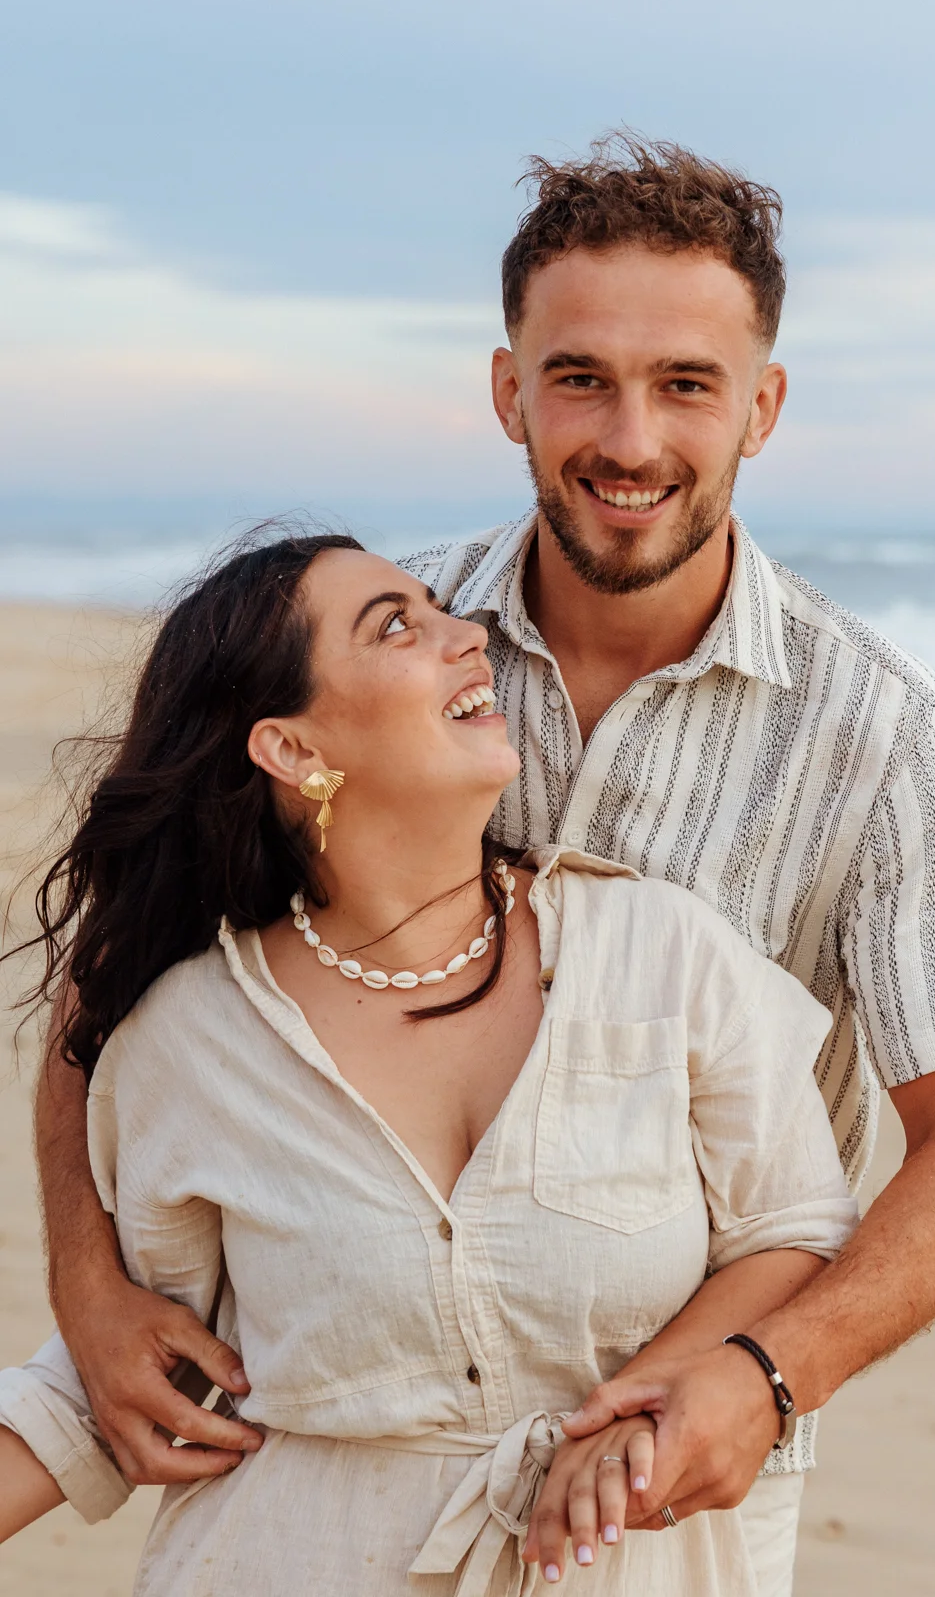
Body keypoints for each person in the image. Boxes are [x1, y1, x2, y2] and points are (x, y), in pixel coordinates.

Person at [28, 135, 935, 1592]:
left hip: (670, 1482)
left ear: (758, 407)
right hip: (338, 1443)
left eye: (684, 384)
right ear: (509, 389)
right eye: (579, 378)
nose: (627, 438)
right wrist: (88, 1277)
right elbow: (117, 955)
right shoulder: (382, 643)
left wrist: (763, 1374)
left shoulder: (874, 734)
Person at [0, 532, 857, 1596]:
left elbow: (795, 1229)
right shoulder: (189, 1037)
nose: (471, 638)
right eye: (396, 626)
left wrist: (648, 1397)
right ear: (292, 751)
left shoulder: (662, 952)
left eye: (440, 609)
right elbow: (139, 1373)